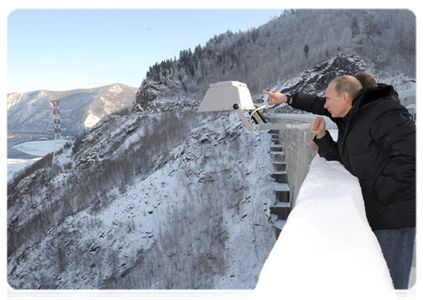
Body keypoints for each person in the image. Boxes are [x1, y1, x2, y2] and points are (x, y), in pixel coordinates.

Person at [263, 75, 420, 300]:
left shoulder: (383, 112)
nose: (325, 106)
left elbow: (411, 156)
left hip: (394, 218)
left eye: (329, 99)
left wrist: (378, 196)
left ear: (346, 97)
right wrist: (321, 137)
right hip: (376, 213)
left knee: (391, 289)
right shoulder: (351, 116)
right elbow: (347, 157)